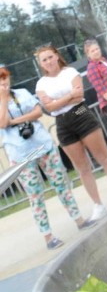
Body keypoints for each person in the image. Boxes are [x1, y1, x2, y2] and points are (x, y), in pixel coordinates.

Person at [0, 63, 96, 249]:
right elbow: (3, 124)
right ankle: (48, 236)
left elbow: (37, 112)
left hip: (43, 145)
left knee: (62, 184)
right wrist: (3, 100)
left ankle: (79, 219)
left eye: (4, 76)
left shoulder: (22, 93)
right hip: (20, 155)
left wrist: (16, 120)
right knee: (35, 195)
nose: (3, 81)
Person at [34, 44, 107, 221]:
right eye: (44, 60)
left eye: (50, 57)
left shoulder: (70, 72)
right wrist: (68, 96)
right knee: (82, 168)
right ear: (41, 64)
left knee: (104, 158)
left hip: (80, 112)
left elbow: (79, 97)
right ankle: (98, 205)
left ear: (56, 56)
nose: (48, 61)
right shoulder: (41, 84)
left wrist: (60, 100)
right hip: (62, 122)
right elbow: (49, 106)